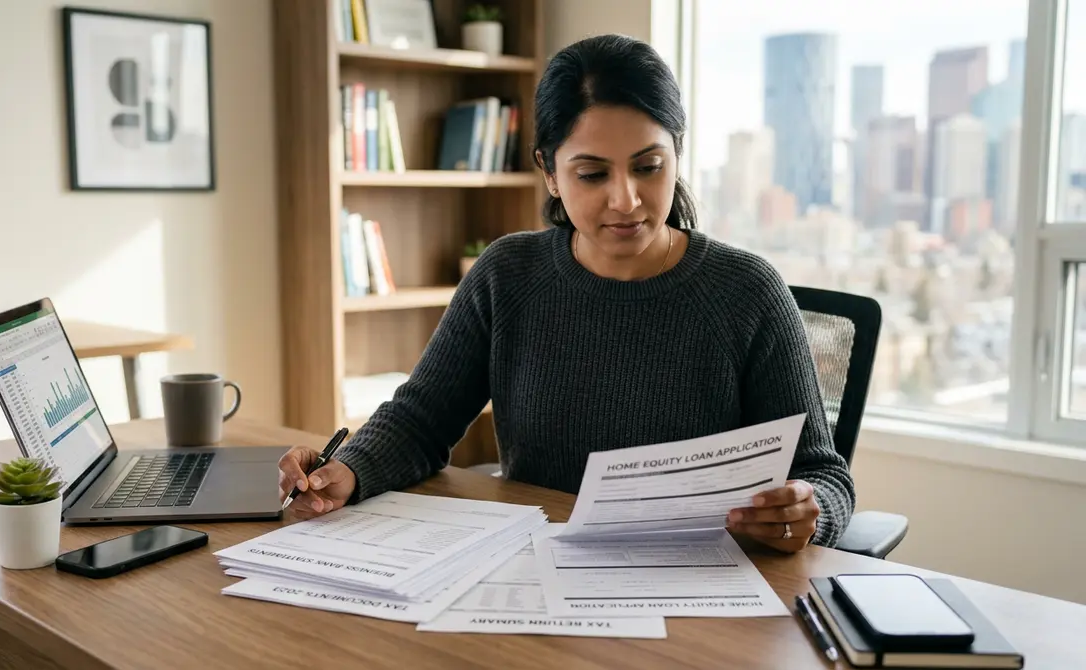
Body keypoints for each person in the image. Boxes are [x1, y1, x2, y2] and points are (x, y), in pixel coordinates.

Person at [278, 33, 854, 553]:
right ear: (549, 172)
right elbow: (420, 422)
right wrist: (346, 471)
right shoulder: (507, 275)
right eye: (593, 174)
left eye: (649, 167)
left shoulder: (747, 291)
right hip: (541, 568)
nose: (626, 199)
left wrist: (808, 512)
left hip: (698, 587)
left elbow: (824, 477)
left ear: (677, 155)